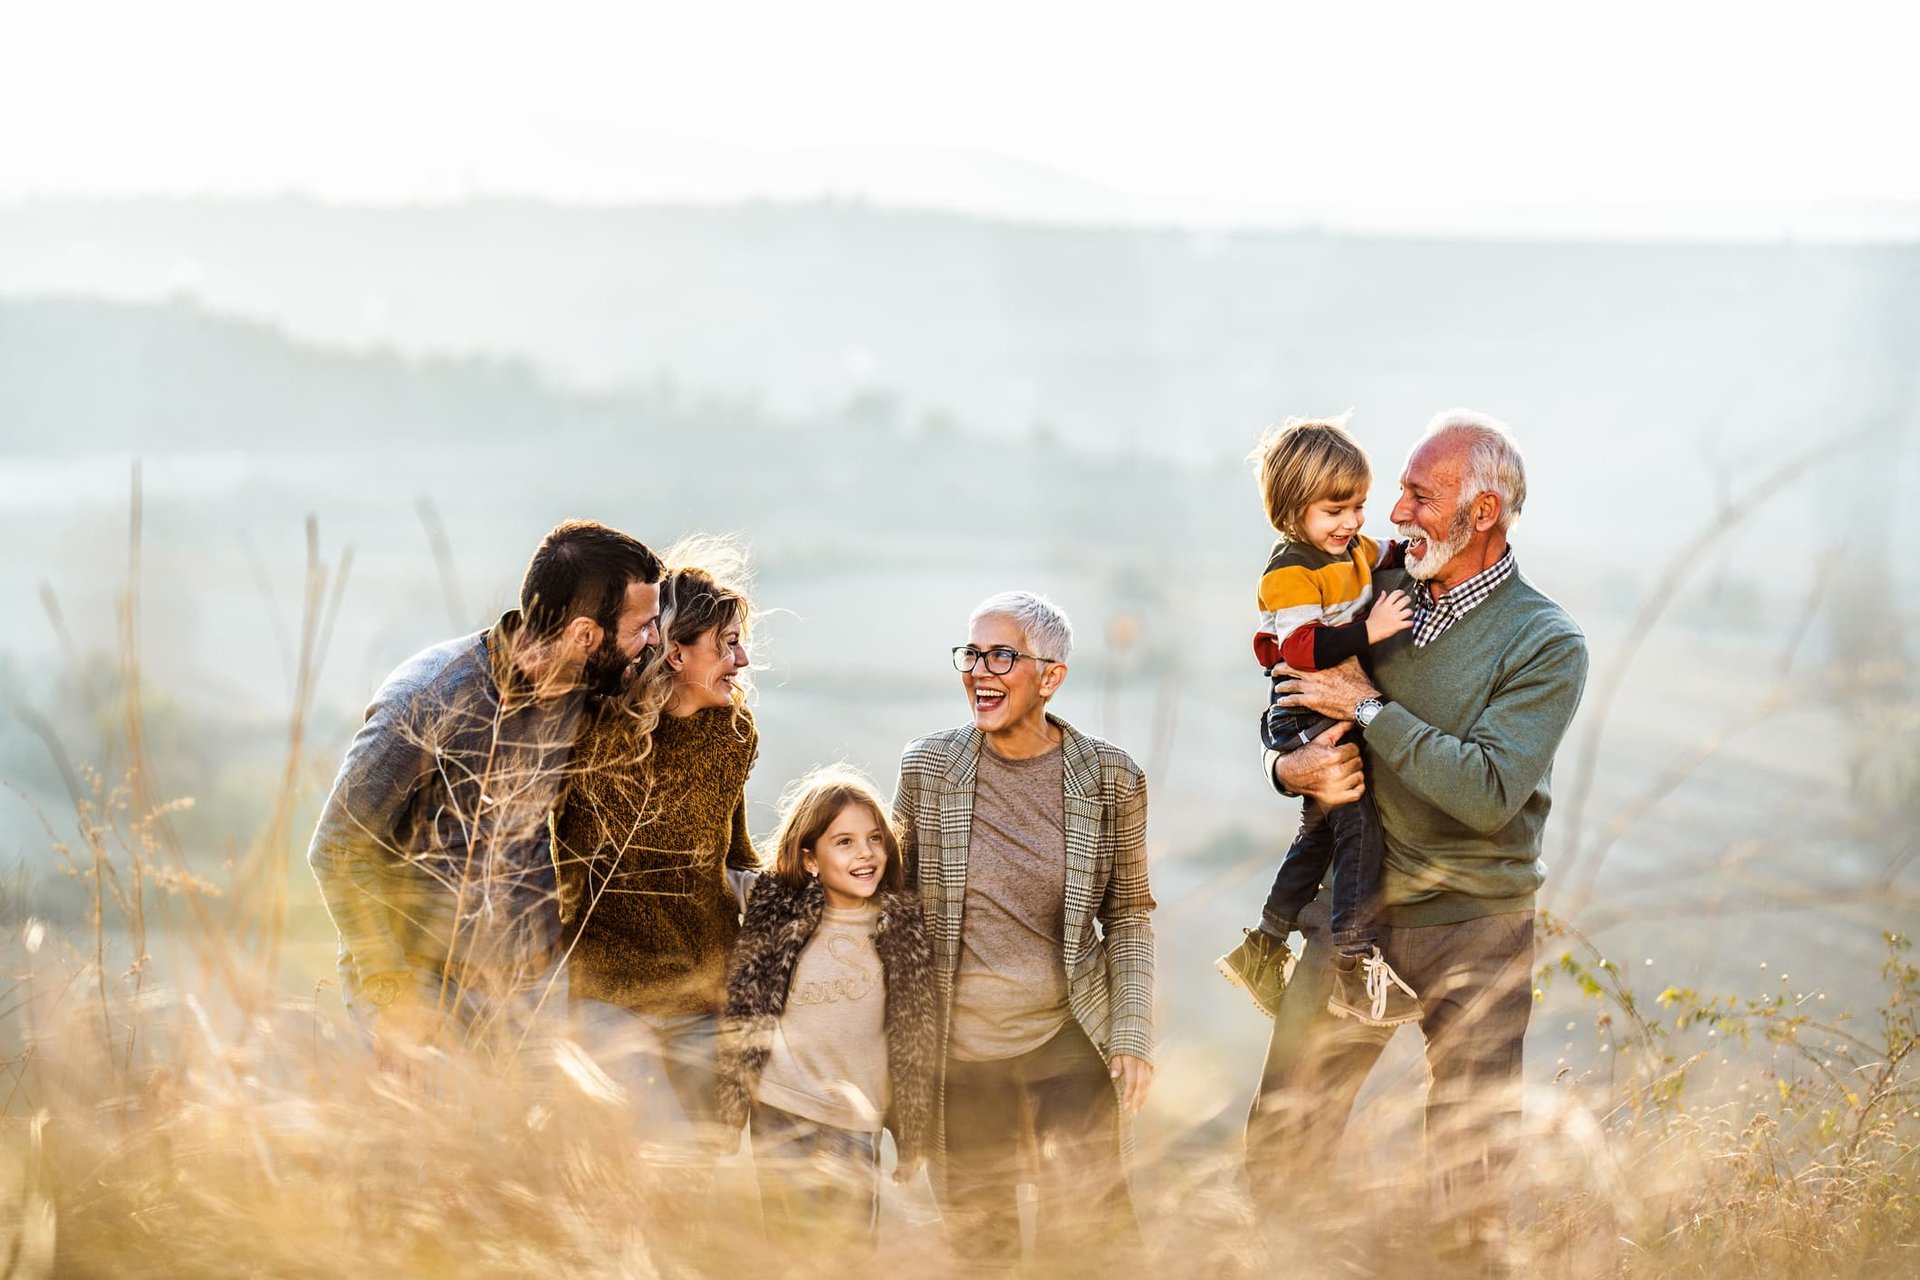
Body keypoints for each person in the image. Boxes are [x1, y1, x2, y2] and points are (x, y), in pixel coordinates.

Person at [1244, 410, 1588, 1252]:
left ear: (1482, 515)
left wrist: (1368, 706)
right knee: (1281, 1149)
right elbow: (1294, 689)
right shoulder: (1381, 585)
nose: (1394, 513)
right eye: (1397, 489)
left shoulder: (1546, 642)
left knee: (1467, 1186)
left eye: (1417, 495)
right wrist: (1288, 769)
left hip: (1476, 924)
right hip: (1355, 910)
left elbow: (1488, 791)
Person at [307, 519, 662, 1065]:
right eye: (642, 628)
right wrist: (392, 995)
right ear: (586, 636)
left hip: (529, 992)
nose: (653, 642)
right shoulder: (426, 699)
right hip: (424, 990)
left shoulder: (585, 687)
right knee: (438, 1151)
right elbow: (336, 848)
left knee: (539, 1149)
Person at [894, 590, 1154, 1271]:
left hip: (1065, 1043)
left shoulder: (1111, 778)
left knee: (1096, 1240)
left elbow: (1127, 912)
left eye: (1002, 655)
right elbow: (894, 908)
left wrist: (1130, 1031)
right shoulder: (927, 768)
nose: (980, 670)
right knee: (985, 1249)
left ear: (1051, 676)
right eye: (972, 653)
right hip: (963, 1058)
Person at [553, 547, 758, 1154]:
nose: (742, 660)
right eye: (726, 645)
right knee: (649, 1159)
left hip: (702, 999)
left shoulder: (734, 735)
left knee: (699, 1169)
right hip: (609, 998)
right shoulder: (593, 734)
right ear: (676, 651)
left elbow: (734, 853)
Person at [1216, 415, 1420, 1026]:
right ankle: (1354, 967)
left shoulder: (1350, 548)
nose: (1352, 522)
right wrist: (1371, 630)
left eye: (1358, 506)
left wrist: (1413, 548)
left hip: (1322, 706)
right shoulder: (1289, 572)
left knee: (1322, 834)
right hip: (1303, 709)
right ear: (1293, 509)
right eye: (1335, 510)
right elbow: (1302, 648)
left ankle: (1263, 946)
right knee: (1360, 830)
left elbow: (1385, 551)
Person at [716, 765, 937, 1241]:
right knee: (790, 1247)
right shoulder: (774, 905)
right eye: (845, 842)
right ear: (810, 858)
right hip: (779, 1109)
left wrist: (913, 1131)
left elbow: (915, 1033)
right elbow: (709, 870)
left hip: (855, 1123)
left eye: (875, 839)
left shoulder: (900, 925)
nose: (866, 853)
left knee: (850, 1250)